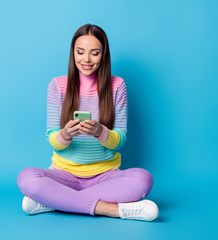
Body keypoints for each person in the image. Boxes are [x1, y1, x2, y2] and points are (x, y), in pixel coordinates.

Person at [17, 23, 159, 221]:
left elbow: (121, 140)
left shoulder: (117, 85)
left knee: (143, 179)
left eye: (95, 53)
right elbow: (52, 139)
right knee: (27, 178)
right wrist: (65, 134)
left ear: (103, 55)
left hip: (106, 177)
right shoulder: (57, 85)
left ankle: (54, 201)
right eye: (80, 52)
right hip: (64, 176)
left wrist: (100, 131)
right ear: (73, 53)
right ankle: (113, 210)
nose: (86, 59)